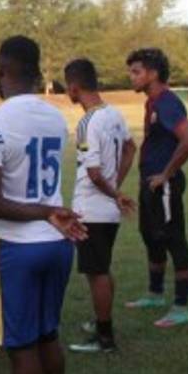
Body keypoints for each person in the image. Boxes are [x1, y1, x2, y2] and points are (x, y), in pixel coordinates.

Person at [0, 36, 86, 374]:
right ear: (37, 72)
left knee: (22, 346)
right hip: (57, 243)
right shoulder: (55, 117)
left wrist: (44, 212)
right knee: (47, 335)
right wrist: (50, 212)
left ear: (1, 71)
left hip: (17, 245)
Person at [64, 58, 136, 353]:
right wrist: (116, 189)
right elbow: (131, 147)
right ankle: (101, 322)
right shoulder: (114, 114)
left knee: (97, 273)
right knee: (102, 268)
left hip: (92, 209)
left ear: (74, 87)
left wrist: (113, 191)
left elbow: (93, 174)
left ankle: (105, 338)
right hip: (107, 209)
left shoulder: (87, 122)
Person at [124, 48, 188, 328]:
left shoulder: (167, 102)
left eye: (136, 72)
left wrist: (166, 174)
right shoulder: (152, 102)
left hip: (164, 184)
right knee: (150, 236)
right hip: (150, 183)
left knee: (173, 239)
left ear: (153, 74)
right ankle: (155, 294)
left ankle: (181, 307)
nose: (131, 77)